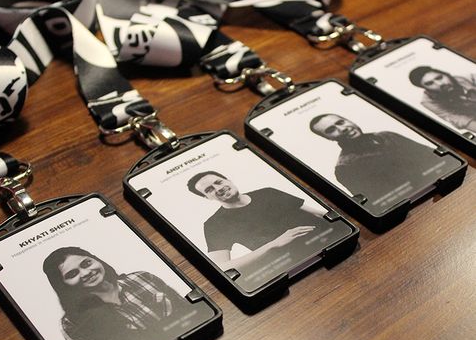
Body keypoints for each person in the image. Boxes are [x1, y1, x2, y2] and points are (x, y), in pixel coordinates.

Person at [43, 247, 189, 340]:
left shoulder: (141, 278)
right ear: (63, 285)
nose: (85, 273)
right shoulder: (70, 324)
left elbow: (189, 311)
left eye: (86, 263)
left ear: (96, 260)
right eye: (72, 274)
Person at [187, 171, 332, 275]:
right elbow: (222, 266)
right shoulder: (214, 225)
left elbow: (317, 213)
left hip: (328, 242)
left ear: (228, 180)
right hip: (294, 266)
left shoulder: (267, 192)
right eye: (209, 190)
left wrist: (339, 222)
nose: (218, 189)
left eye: (218, 182)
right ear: (207, 198)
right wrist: (273, 244)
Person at [309, 113, 439, 201]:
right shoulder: (345, 168)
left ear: (349, 120)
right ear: (327, 138)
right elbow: (384, 201)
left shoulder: (388, 135)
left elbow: (435, 159)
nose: (343, 129)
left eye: (341, 122)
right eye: (331, 130)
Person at [408, 66, 476, 133]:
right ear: (425, 88)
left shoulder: (470, 77)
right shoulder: (428, 102)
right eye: (430, 83)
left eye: (439, 78)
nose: (440, 84)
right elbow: (458, 119)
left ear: (445, 74)